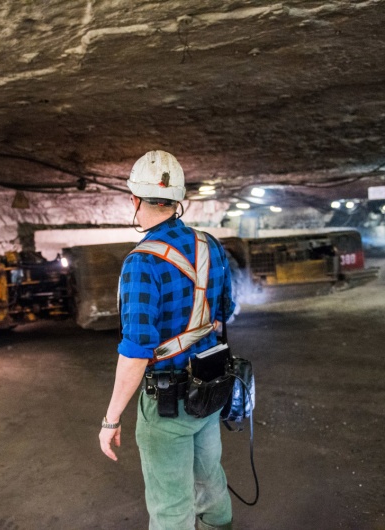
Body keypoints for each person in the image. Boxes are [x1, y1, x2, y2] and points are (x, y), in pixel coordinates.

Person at [99, 150, 236, 530]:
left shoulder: (142, 262)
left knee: (170, 505)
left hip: (168, 405)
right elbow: (226, 311)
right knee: (210, 481)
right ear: (179, 202)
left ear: (135, 200)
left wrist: (111, 420)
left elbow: (136, 351)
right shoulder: (211, 245)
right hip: (208, 390)